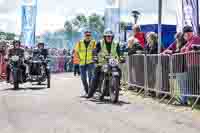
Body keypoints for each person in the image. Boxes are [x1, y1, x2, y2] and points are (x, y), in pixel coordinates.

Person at [87, 29, 122, 99]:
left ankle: (116, 85)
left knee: (119, 71)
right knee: (95, 76)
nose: (109, 38)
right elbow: (95, 51)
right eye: (107, 36)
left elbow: (119, 53)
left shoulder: (116, 44)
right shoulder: (100, 43)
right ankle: (90, 93)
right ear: (104, 37)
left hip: (112, 63)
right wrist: (95, 57)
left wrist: (121, 58)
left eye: (110, 36)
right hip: (101, 63)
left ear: (112, 37)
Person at [75, 29, 96, 96]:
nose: (88, 36)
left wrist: (95, 58)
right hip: (82, 62)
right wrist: (77, 62)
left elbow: (96, 51)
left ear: (91, 36)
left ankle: (90, 92)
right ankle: (87, 91)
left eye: (89, 35)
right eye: (87, 35)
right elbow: (76, 52)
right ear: (84, 35)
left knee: (90, 77)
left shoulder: (93, 42)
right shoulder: (79, 42)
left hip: (90, 62)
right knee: (83, 78)